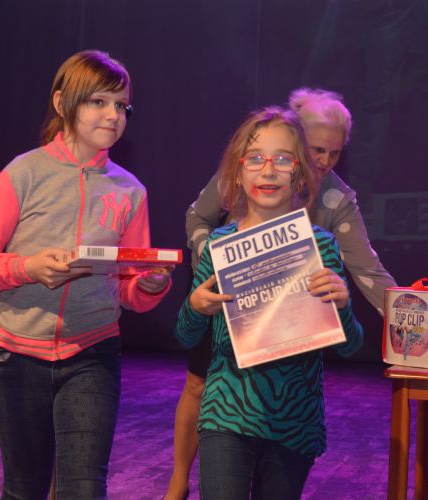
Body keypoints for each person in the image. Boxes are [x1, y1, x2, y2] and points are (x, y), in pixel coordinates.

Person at [0, 50, 173, 499]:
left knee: (84, 490)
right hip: (16, 356)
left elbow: (130, 286)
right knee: (25, 489)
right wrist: (27, 267)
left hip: (93, 353)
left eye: (121, 105)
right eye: (98, 101)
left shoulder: (130, 191)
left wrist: (150, 286)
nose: (113, 115)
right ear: (62, 103)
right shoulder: (24, 172)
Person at [165, 89, 396, 500]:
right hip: (226, 414)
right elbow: (184, 336)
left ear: (301, 173)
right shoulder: (220, 246)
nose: (268, 170)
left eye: (283, 160)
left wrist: (342, 306)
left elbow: (350, 345)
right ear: (237, 174)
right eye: (256, 159)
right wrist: (196, 307)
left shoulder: (322, 245)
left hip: (294, 423)